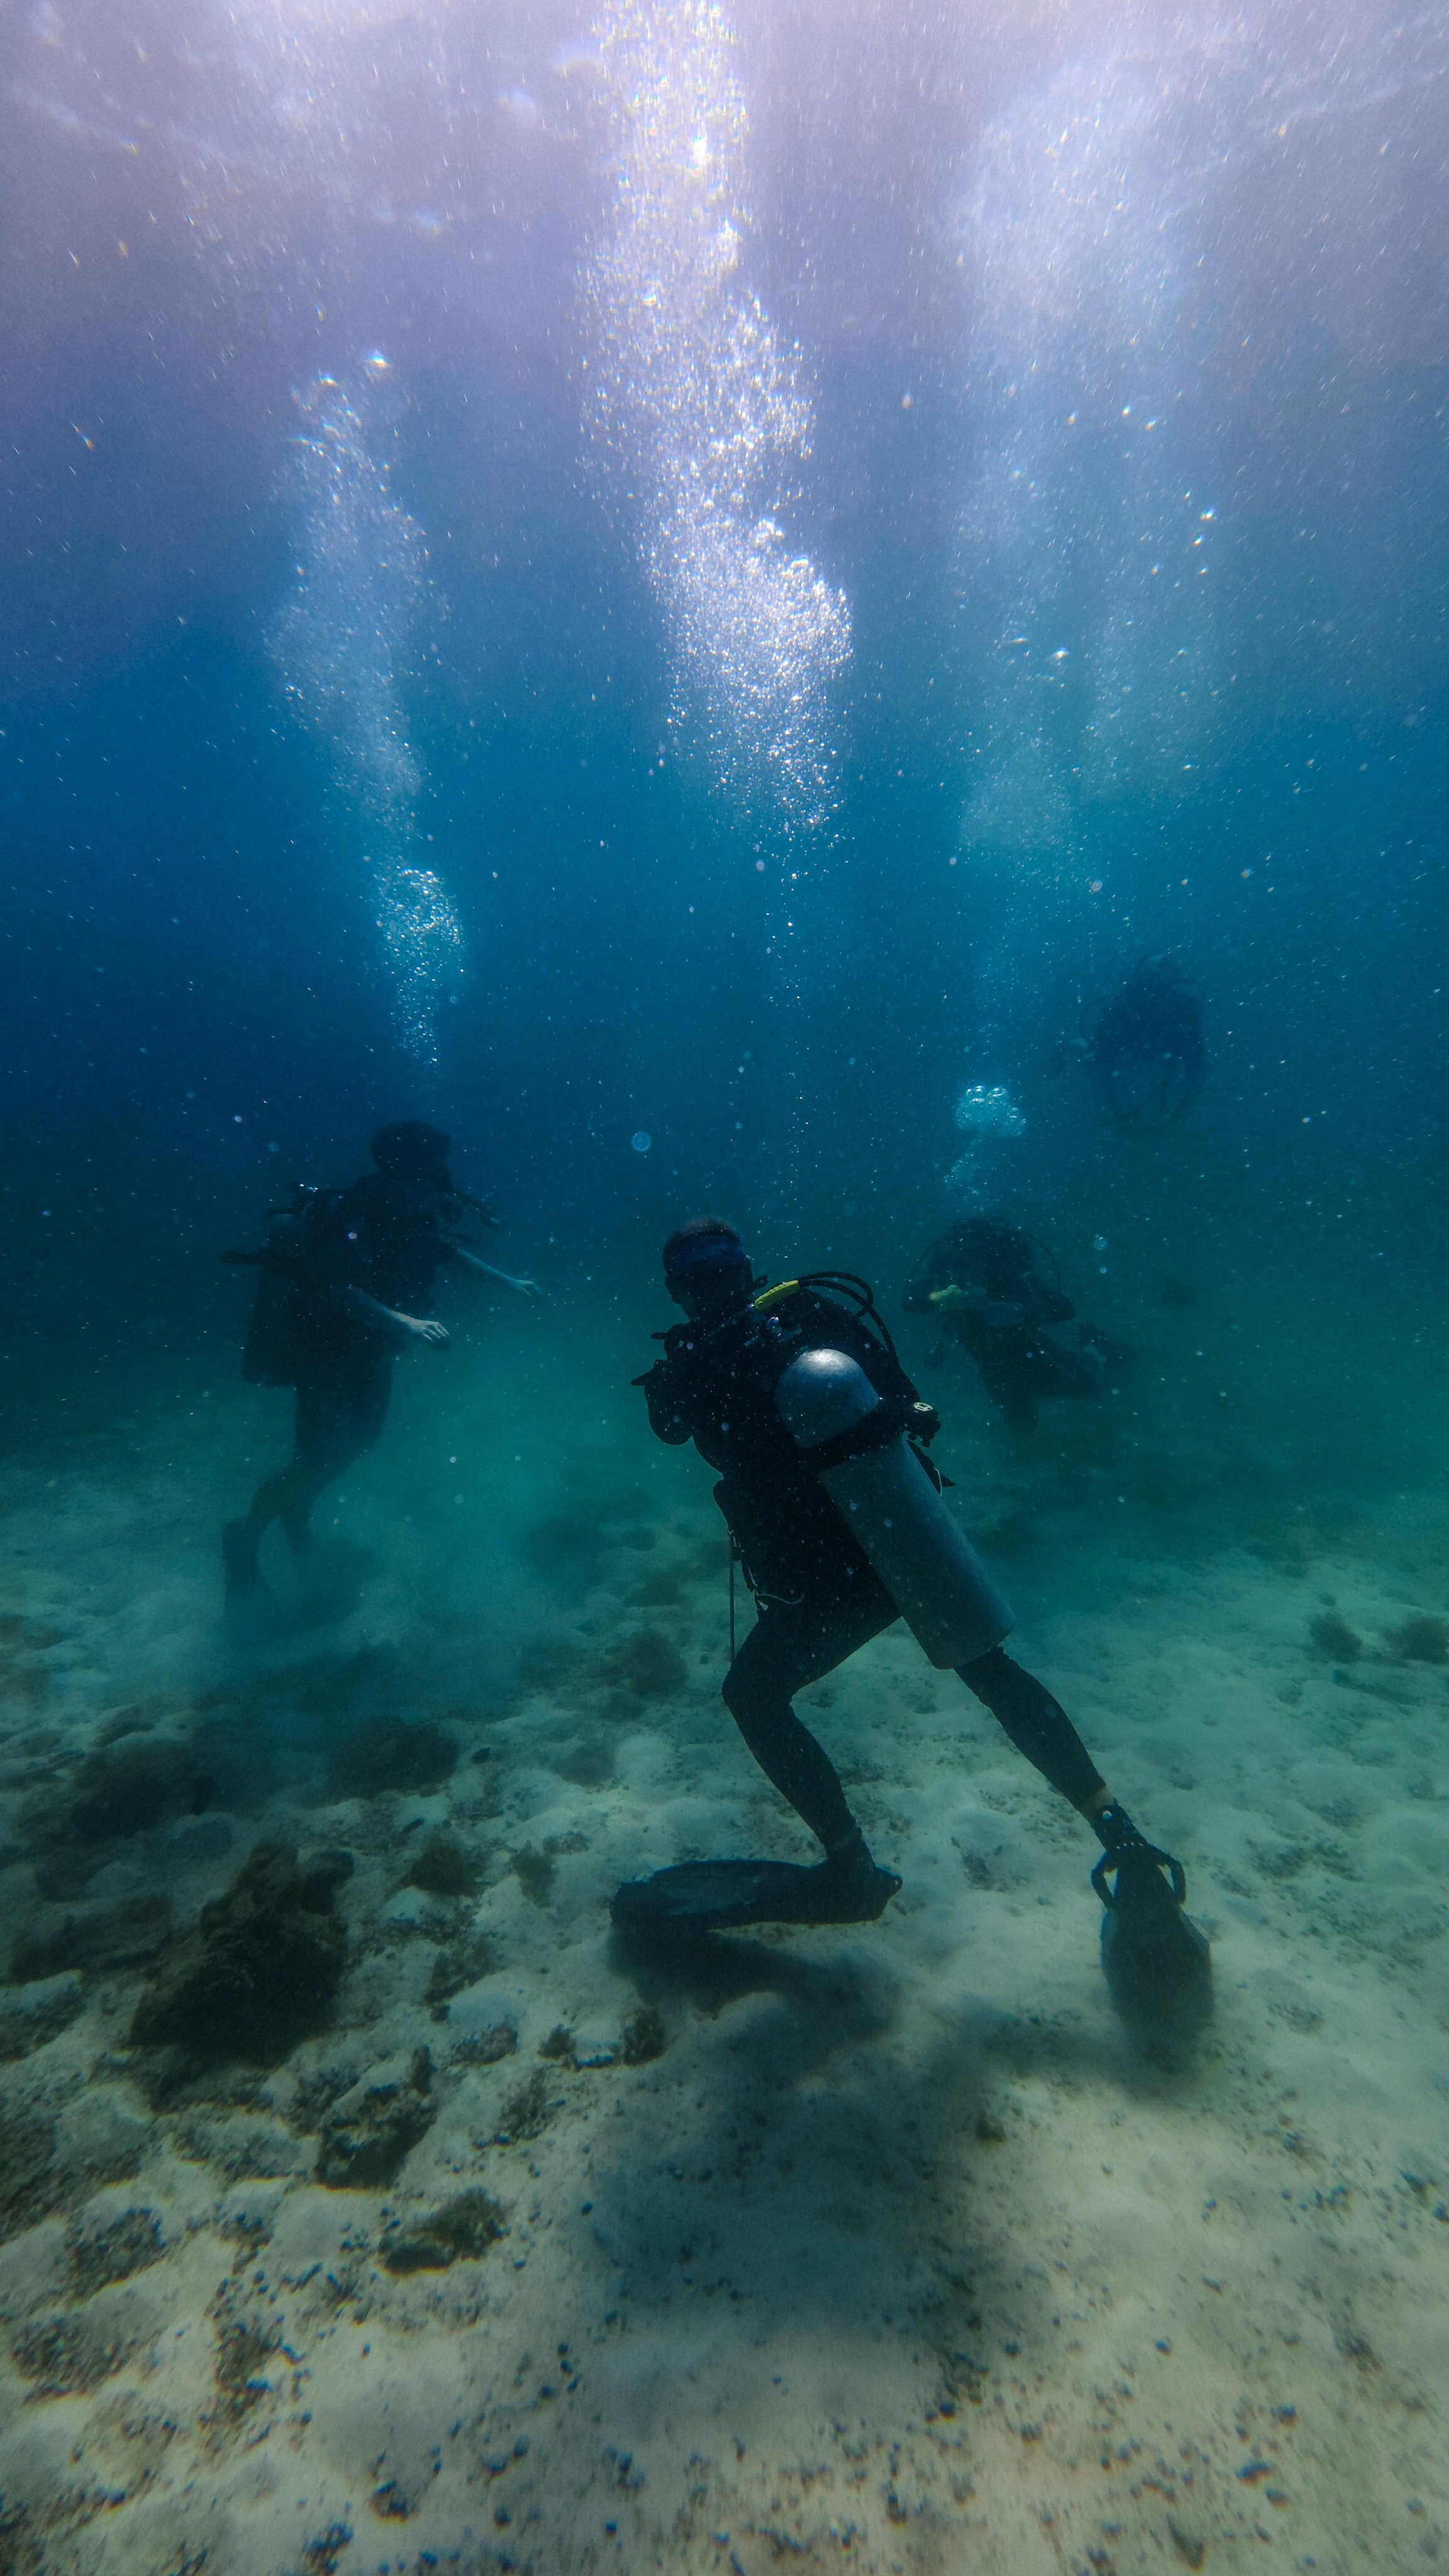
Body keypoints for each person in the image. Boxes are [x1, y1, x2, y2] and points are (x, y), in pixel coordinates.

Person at [618, 1217, 1208, 2026]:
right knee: (987, 1668)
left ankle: (849, 1867)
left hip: (836, 1579)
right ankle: (1124, 1841)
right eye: (699, 1276)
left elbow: (689, 1426)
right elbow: (905, 1405)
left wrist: (696, 1364)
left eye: (718, 1272)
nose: (711, 1286)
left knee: (754, 1695)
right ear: (696, 1284)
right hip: (899, 1544)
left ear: (737, 1273)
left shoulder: (759, 1344)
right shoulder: (811, 1324)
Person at [223, 1119, 540, 1610]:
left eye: (436, 1172)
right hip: (326, 1352)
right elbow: (339, 1291)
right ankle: (243, 1541)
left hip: (374, 1351)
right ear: (397, 1172)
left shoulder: (417, 1213)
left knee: (357, 1444)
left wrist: (509, 1282)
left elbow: (446, 1253)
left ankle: (296, 1520)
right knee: (312, 1459)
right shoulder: (356, 1215)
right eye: (424, 1172)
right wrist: (409, 1324)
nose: (435, 1184)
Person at [903, 1215, 1128, 1432]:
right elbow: (911, 1301)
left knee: (1093, 1391)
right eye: (962, 1253)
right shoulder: (947, 1275)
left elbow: (1066, 1309)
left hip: (1033, 1352)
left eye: (976, 1253)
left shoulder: (1012, 1273)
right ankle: (1041, 1385)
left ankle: (1094, 1345)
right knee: (1023, 1427)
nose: (971, 1262)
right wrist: (948, 1298)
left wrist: (1022, 1313)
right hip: (992, 1367)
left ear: (990, 1251)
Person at [1085, 953, 1205, 1128]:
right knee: (1080, 1052)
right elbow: (1101, 1054)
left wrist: (1180, 1113)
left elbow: (1196, 1062)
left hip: (1148, 1056)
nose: (1156, 978)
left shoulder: (1183, 1007)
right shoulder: (1122, 1006)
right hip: (1133, 1056)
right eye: (1151, 973)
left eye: (1161, 972)